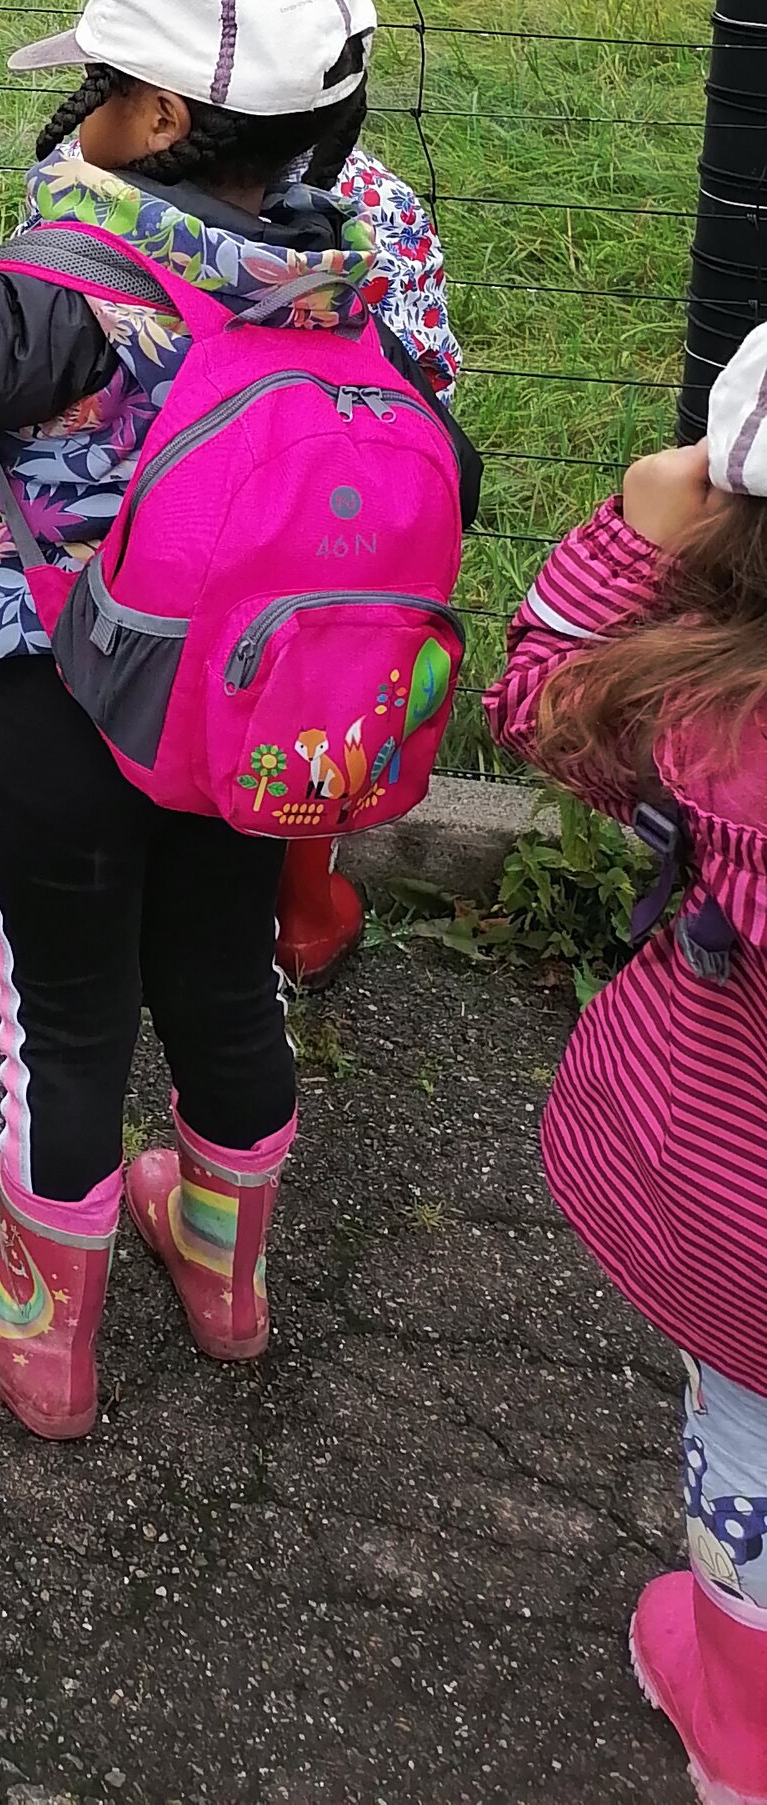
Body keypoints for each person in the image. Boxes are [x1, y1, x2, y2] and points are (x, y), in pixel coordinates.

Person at [0, 0, 479, 1439]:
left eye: (106, 84)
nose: (92, 105)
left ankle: (39, 1324)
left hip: (71, 710)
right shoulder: (337, 278)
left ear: (162, 117)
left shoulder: (86, 291)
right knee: (224, 981)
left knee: (60, 1021)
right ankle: (222, 1268)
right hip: (261, 724)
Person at [483, 337, 767, 1805]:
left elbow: (534, 701)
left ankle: (740, 1725)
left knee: (750, 1434)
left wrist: (631, 531)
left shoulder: (717, 733)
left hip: (740, 1216)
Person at [128, 0, 463, 985]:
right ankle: (305, 905)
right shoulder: (373, 203)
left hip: (129, 586)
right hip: (311, 556)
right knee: (314, 666)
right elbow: (425, 386)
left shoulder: (95, 198)